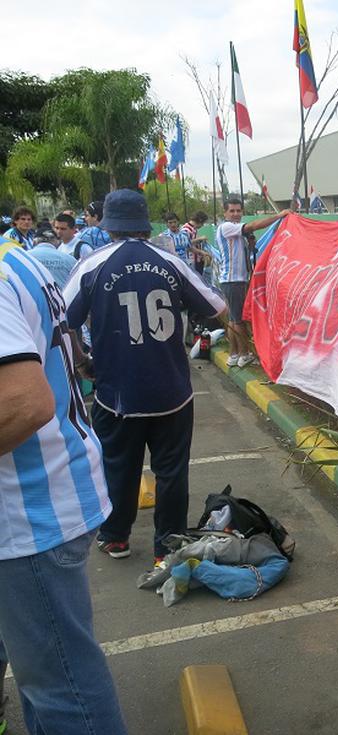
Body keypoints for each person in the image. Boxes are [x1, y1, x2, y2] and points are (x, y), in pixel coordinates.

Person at [0, 235, 128, 734]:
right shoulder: (16, 257)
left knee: (63, 688)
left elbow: (24, 403)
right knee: (45, 677)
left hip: (29, 513)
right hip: (54, 493)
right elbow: (70, 350)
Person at [64, 189, 226, 564]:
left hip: (116, 393)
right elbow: (216, 305)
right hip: (172, 393)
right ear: (144, 224)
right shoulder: (169, 261)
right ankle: (167, 546)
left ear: (108, 226)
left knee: (118, 467)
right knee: (171, 471)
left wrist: (82, 361)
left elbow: (62, 319)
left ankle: (116, 537)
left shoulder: (92, 264)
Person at [216, 198, 288, 368]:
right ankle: (244, 354)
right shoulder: (227, 227)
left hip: (231, 280)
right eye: (232, 211)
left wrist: (250, 244)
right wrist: (279, 216)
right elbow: (253, 225)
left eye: (238, 210)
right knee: (238, 320)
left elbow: (245, 252)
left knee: (233, 319)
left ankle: (234, 354)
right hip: (233, 280)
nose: (236, 214)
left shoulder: (235, 232)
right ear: (225, 213)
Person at [27, 222, 77, 288]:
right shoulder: (69, 259)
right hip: (63, 293)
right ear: (56, 241)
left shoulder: (25, 257)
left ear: (34, 241)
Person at [181, 210, 210, 275]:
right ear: (200, 220)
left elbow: (192, 242)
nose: (202, 225)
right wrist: (199, 239)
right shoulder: (186, 229)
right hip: (190, 261)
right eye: (203, 223)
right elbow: (185, 244)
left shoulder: (194, 229)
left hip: (196, 259)